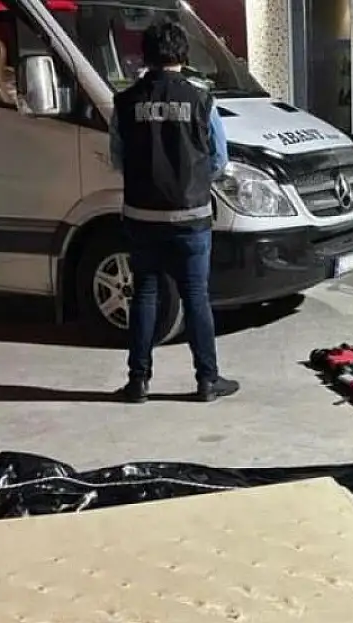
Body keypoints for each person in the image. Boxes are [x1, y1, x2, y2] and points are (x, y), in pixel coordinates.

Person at [109, 20, 239, 403]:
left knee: (145, 295)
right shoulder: (201, 100)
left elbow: (117, 158)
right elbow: (219, 158)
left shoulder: (125, 101)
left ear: (145, 55)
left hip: (141, 215)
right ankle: (207, 380)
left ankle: (138, 381)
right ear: (183, 54)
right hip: (190, 216)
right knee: (196, 296)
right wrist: (192, 181)